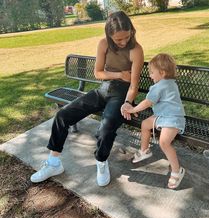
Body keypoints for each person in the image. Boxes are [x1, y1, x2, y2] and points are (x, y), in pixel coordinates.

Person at [30, 11, 144, 187]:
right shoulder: (104, 44)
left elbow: (133, 85)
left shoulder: (136, 50)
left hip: (122, 95)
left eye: (126, 37)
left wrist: (128, 103)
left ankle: (101, 161)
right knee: (62, 115)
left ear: (132, 31)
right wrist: (119, 73)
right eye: (118, 39)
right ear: (109, 35)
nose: (123, 42)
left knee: (106, 127)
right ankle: (54, 163)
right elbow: (98, 73)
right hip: (102, 90)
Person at [124, 53, 185, 189]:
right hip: (162, 116)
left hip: (172, 118)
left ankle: (177, 170)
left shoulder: (159, 86)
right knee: (145, 124)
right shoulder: (169, 83)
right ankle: (145, 150)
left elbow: (147, 102)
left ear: (162, 73)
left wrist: (133, 110)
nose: (150, 75)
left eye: (152, 72)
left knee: (164, 142)